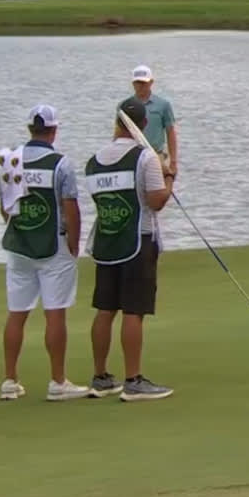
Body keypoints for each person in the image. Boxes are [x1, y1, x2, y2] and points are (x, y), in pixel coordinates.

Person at [0, 105, 93, 402]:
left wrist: (17, 227)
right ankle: (57, 381)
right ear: (53, 130)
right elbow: (70, 208)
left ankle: (10, 380)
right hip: (54, 247)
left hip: (19, 246)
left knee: (17, 313)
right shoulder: (61, 164)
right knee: (55, 313)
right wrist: (75, 243)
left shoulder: (11, 160)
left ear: (30, 129)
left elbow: (4, 204)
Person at [84, 97, 176, 401]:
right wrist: (169, 177)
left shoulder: (94, 161)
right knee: (134, 310)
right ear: (144, 125)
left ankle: (100, 377)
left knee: (106, 309)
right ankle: (134, 380)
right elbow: (156, 201)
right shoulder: (145, 158)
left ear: (116, 123)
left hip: (107, 242)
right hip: (138, 241)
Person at [129, 64, 179, 179]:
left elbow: (170, 132)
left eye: (144, 83)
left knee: (158, 191)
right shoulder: (125, 106)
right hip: (132, 156)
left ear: (151, 82)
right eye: (137, 83)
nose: (140, 86)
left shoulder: (163, 105)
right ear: (133, 84)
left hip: (156, 155)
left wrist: (173, 162)